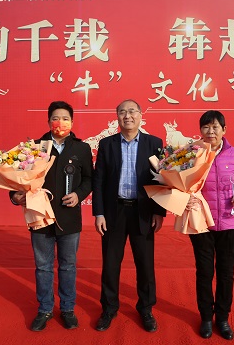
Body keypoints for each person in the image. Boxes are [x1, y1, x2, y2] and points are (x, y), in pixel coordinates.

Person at [10, 101, 93, 331]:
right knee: (43, 266)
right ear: (48, 121)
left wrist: (78, 195)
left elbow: (89, 178)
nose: (60, 122)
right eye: (56, 118)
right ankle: (45, 309)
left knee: (68, 266)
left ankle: (67, 308)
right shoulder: (34, 148)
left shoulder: (81, 148)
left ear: (72, 122)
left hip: (69, 217)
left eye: (65, 118)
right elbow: (16, 180)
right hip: (40, 217)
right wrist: (15, 196)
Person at [92, 99, 166, 333]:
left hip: (143, 212)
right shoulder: (107, 144)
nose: (128, 116)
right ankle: (109, 308)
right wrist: (99, 213)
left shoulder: (154, 143)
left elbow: (162, 178)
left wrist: (159, 211)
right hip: (114, 212)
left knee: (145, 263)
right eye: (122, 112)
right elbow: (99, 180)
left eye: (132, 111)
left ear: (141, 115)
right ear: (117, 117)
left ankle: (146, 308)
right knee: (110, 264)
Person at [190, 110, 234, 340]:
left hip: (229, 223)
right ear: (200, 130)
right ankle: (206, 317)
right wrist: (185, 199)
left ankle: (223, 318)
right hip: (202, 223)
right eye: (206, 127)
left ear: (224, 130)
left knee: (226, 273)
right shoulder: (193, 154)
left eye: (215, 127)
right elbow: (181, 184)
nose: (211, 131)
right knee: (204, 272)